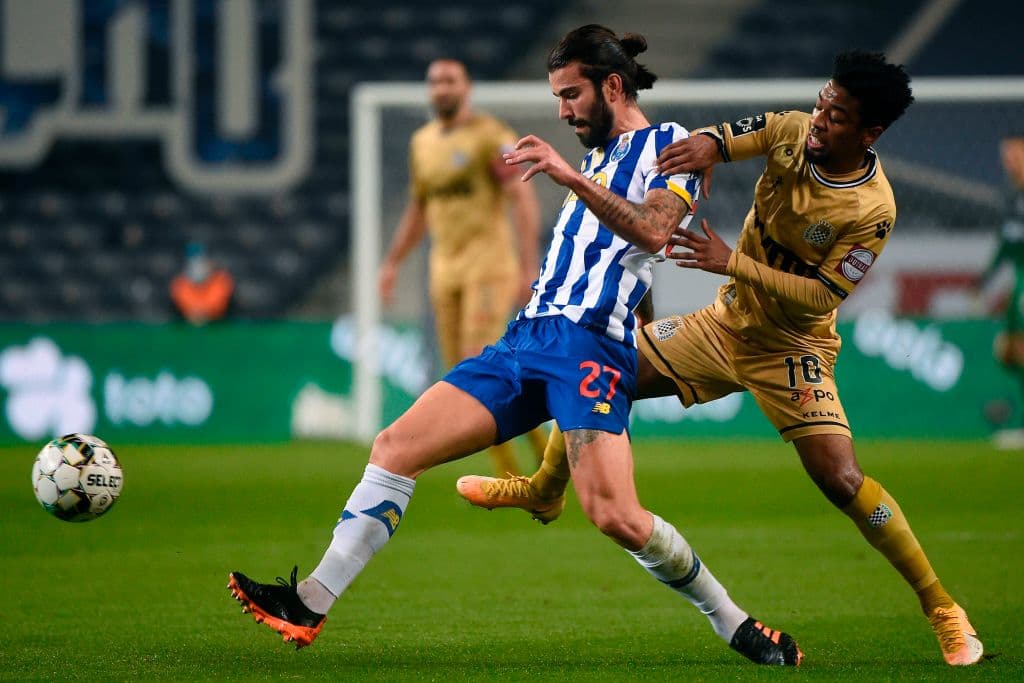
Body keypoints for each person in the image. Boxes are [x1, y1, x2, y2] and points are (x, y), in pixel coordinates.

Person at [228, 25, 801, 666]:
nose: (563, 111)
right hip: (527, 337)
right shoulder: (597, 159)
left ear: (613, 86)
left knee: (615, 515)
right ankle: (310, 601)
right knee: (394, 448)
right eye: (557, 97)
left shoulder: (671, 147)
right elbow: (621, 258)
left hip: (589, 348)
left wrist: (568, 178)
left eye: (571, 94)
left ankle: (732, 622)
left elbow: (653, 233)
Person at [457, 50, 985, 667]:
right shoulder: (790, 130)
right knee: (603, 362)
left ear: (869, 133)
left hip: (792, 349)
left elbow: (823, 294)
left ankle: (942, 608)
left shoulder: (873, 210)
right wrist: (700, 154)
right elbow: (714, 139)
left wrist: (731, 262)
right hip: (722, 326)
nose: (819, 121)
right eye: (822, 103)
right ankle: (545, 490)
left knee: (841, 479)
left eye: (837, 117)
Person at [377, 57, 547, 476]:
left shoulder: (490, 137)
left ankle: (522, 473)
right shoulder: (422, 143)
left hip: (488, 264)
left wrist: (529, 266)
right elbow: (420, 209)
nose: (442, 88)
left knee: (479, 365)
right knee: (461, 375)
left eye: (450, 80)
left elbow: (522, 197)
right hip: (444, 270)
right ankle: (530, 461)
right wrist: (392, 262)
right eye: (435, 81)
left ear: (466, 87)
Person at [980, 133, 1024, 446]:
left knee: (1018, 347)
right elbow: (1007, 245)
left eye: (1016, 154)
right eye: (1006, 155)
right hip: (1019, 279)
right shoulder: (1010, 197)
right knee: (1008, 350)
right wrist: (984, 281)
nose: (1009, 161)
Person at [170, 242, 234, 325]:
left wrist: (205, 312)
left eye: (201, 261)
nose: (197, 266)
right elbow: (183, 302)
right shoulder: (180, 283)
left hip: (218, 323)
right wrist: (194, 312)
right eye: (193, 262)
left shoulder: (221, 279)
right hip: (187, 323)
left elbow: (219, 302)